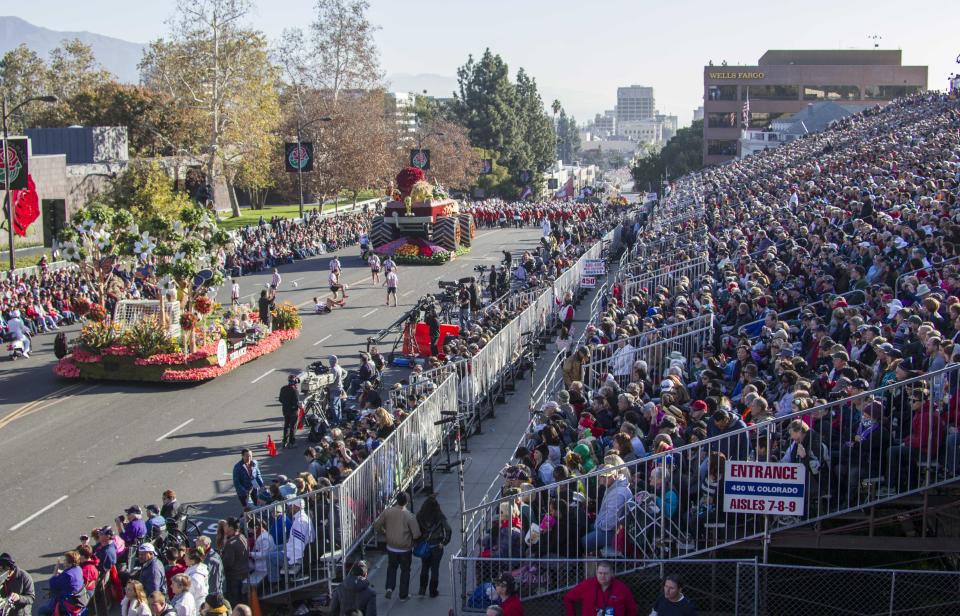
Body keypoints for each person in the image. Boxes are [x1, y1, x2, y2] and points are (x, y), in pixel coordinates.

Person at [374, 492, 421, 600]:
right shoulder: (409, 516)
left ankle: (389, 588)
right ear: (407, 502)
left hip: (391, 547)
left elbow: (377, 525)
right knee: (405, 571)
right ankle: (403, 595)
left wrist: (384, 532)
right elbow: (416, 534)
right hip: (405, 549)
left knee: (391, 568)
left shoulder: (388, 512)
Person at [563, 561, 637, 616]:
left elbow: (632, 609)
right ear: (596, 573)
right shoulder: (587, 585)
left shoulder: (621, 588)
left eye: (606, 573)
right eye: (600, 573)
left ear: (612, 573)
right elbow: (568, 598)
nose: (602, 576)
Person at [415, 494, 452, 598]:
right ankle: (433, 591)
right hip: (436, 546)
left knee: (424, 567)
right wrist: (444, 542)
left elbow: (416, 531)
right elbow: (448, 529)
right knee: (435, 568)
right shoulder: (440, 516)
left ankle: (422, 589)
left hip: (425, 545)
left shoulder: (419, 516)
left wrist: (418, 541)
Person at [39, 551, 87, 616]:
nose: (64, 561)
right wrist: (62, 573)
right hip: (78, 600)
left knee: (42, 610)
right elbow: (69, 577)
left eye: (65, 560)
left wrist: (55, 571)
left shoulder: (67, 575)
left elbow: (52, 584)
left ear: (69, 562)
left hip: (67, 604)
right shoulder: (78, 569)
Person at [219, 518, 248, 607]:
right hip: (243, 573)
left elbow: (227, 563)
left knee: (233, 602)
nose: (225, 528)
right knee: (240, 600)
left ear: (231, 527)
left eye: (226, 526)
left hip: (234, 577)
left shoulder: (231, 544)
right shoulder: (242, 537)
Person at [279, 375, 301, 447]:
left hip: (285, 410)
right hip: (293, 411)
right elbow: (296, 402)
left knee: (286, 426)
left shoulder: (283, 388)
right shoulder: (295, 391)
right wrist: (300, 406)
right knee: (292, 427)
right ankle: (292, 442)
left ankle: (284, 441)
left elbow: (280, 399)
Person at [328, 355, 347, 425]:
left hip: (334, 389)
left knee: (334, 407)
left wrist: (326, 384)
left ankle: (336, 421)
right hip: (339, 388)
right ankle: (339, 419)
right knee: (338, 405)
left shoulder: (333, 369)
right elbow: (345, 373)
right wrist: (340, 380)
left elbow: (332, 380)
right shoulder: (338, 367)